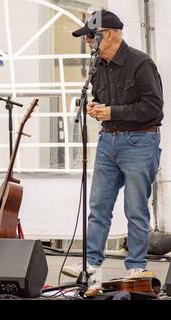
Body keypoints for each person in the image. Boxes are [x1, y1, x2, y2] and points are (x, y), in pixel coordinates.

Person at [62, 10, 163, 285]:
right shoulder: (97, 67)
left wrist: (112, 112)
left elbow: (154, 108)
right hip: (109, 140)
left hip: (140, 142)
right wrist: (97, 109)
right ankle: (92, 263)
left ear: (111, 34)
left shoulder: (141, 63)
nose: (88, 43)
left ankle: (136, 266)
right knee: (99, 205)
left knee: (135, 208)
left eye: (91, 37)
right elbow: (101, 99)